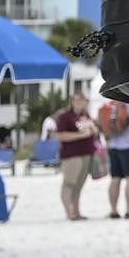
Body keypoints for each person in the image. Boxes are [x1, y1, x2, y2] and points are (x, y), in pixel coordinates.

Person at [49, 93, 99, 222]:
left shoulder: (85, 116)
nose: (79, 103)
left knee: (79, 185)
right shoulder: (65, 117)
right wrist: (80, 136)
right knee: (69, 183)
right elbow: (60, 135)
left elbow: (94, 132)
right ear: (72, 102)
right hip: (71, 154)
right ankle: (69, 212)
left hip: (86, 153)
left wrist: (93, 131)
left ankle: (76, 211)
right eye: (77, 100)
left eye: (82, 100)